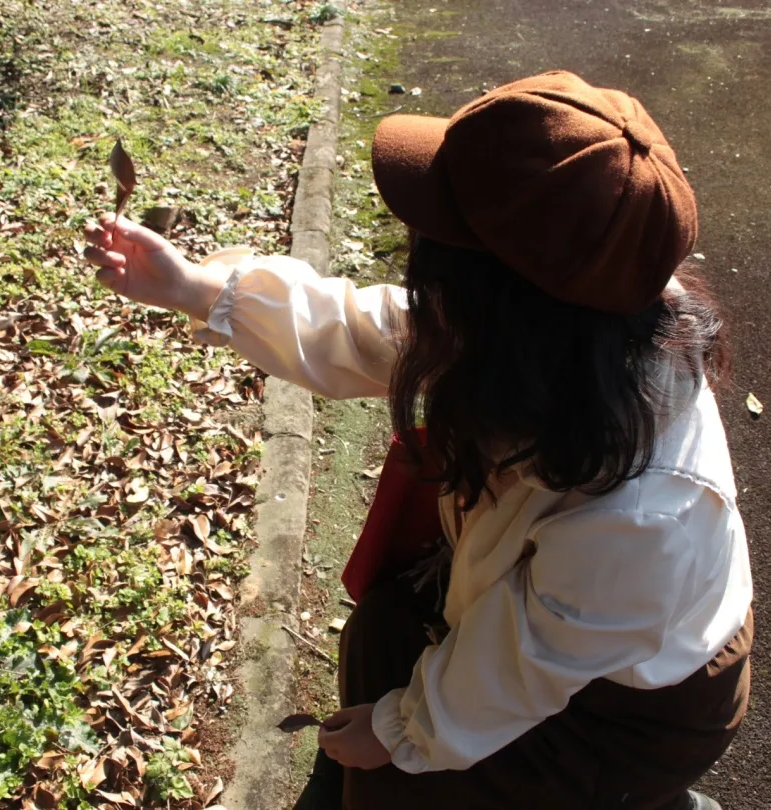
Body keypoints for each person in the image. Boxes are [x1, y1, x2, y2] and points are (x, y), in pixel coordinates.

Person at [82, 71, 752, 810]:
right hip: (558, 631)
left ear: (500, 300)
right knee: (380, 636)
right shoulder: (578, 322)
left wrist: (400, 731)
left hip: (628, 712)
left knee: (397, 780)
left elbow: (526, 664)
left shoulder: (641, 520)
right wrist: (191, 288)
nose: (421, 268)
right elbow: (363, 329)